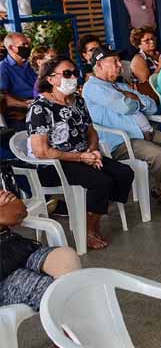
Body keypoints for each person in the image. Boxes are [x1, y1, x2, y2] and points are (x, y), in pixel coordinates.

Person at [27, 57, 135, 249]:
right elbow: (41, 151)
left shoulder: (78, 100)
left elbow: (91, 131)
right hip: (54, 164)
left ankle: (94, 212)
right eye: (66, 73)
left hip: (83, 155)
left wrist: (92, 151)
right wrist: (81, 157)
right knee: (101, 182)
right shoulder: (40, 108)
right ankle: (89, 228)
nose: (73, 77)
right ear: (50, 79)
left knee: (124, 173)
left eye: (75, 73)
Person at [83, 48, 161, 214]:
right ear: (99, 65)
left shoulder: (120, 85)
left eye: (118, 61)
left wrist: (132, 97)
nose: (119, 66)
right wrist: (135, 99)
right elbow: (125, 107)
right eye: (114, 62)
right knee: (158, 155)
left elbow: (152, 106)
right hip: (125, 141)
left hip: (149, 133)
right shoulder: (92, 87)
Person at [0, 188, 87, 348]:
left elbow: (18, 211)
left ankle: (79, 343)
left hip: (14, 248)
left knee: (67, 258)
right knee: (53, 290)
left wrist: (5, 213)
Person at [0, 32, 37, 130]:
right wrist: (27, 104)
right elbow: (3, 98)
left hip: (39, 107)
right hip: (21, 115)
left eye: (28, 44)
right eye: (23, 45)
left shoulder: (30, 65)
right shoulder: (3, 68)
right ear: (12, 48)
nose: (27, 47)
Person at [129, 26, 161, 100]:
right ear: (139, 44)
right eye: (147, 41)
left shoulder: (159, 54)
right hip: (150, 98)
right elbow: (148, 84)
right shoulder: (138, 59)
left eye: (152, 38)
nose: (152, 42)